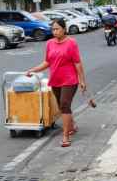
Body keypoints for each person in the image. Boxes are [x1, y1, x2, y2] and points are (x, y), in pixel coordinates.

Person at [26, 18, 87, 147]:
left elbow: (77, 63)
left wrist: (82, 80)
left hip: (70, 80)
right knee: (62, 106)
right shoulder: (49, 43)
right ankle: (72, 125)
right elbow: (47, 62)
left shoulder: (71, 43)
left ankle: (65, 135)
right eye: (53, 29)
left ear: (64, 29)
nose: (55, 32)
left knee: (64, 104)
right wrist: (33, 70)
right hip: (55, 80)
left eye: (57, 29)